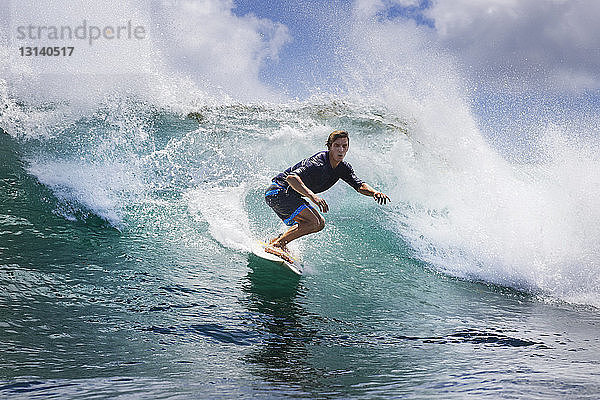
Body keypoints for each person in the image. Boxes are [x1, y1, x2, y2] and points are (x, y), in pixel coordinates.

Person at [264, 130, 390, 261]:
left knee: (319, 223)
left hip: (290, 196)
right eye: (336, 145)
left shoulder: (343, 168)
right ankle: (278, 244)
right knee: (312, 222)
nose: (341, 150)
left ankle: (278, 240)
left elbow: (359, 185)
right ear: (329, 147)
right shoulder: (318, 162)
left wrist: (374, 192)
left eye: (344, 146)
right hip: (278, 192)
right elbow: (291, 178)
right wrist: (313, 197)